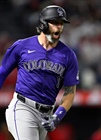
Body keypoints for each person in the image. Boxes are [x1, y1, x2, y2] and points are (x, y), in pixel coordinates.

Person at [0, 5, 79, 140]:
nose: (59, 27)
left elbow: (70, 92)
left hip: (47, 114)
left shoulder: (68, 55)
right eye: (54, 22)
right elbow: (2, 73)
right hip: (23, 107)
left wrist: (57, 116)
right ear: (43, 24)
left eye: (61, 23)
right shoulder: (22, 46)